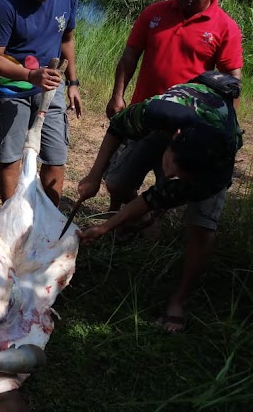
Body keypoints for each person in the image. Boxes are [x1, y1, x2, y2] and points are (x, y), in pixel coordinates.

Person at [77, 72, 243, 332]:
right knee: (118, 182)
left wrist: (105, 227)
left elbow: (156, 196)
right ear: (173, 138)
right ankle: (140, 222)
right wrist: (94, 175)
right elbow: (117, 127)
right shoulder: (156, 112)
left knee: (201, 227)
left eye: (178, 177)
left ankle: (180, 299)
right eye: (172, 168)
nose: (169, 177)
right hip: (178, 114)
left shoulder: (216, 168)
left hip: (214, 134)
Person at [104, 0, 243, 216]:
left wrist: (222, 123)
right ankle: (123, 215)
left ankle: (144, 224)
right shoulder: (155, 13)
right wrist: (117, 95)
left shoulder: (225, 28)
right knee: (116, 181)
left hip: (186, 125)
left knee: (166, 184)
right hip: (144, 114)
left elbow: (232, 81)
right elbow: (130, 54)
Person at [0, 0, 82, 206]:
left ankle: (47, 221)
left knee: (55, 156)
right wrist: (29, 76)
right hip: (11, 91)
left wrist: (73, 82)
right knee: (10, 157)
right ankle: (11, 217)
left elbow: (67, 40)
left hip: (51, 90)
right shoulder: (6, 6)